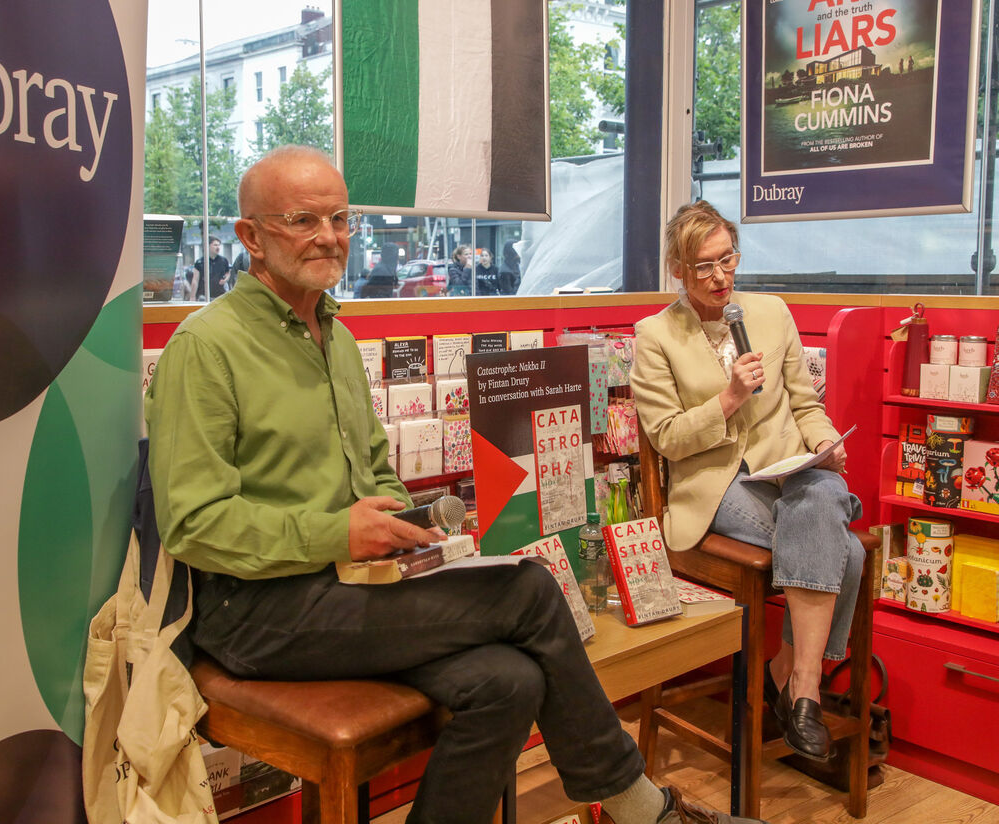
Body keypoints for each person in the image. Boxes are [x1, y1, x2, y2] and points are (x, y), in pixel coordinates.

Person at [145, 147, 767, 824]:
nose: (329, 236)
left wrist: (420, 529)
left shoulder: (336, 339)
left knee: (510, 681)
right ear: (251, 237)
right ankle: (645, 811)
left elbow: (375, 476)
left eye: (339, 218)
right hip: (257, 613)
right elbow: (192, 523)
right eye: (303, 220)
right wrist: (337, 531)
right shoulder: (206, 347)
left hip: (350, 586)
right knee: (529, 589)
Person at [630, 200, 865, 763]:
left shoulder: (771, 312)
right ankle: (792, 680)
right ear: (678, 269)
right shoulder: (655, 335)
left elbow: (806, 406)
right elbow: (667, 438)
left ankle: (797, 684)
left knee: (824, 490)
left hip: (785, 470)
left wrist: (824, 444)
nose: (719, 278)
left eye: (727, 260)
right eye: (704, 267)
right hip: (714, 484)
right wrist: (729, 397)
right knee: (848, 551)